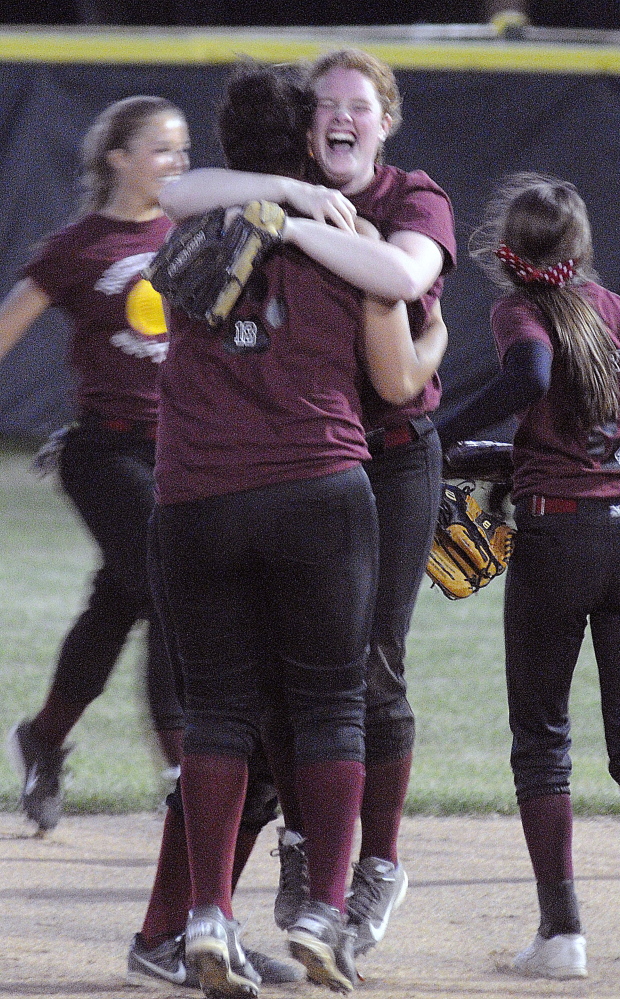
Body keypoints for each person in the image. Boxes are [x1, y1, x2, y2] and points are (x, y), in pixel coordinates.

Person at [145, 59, 446, 999]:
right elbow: (398, 368)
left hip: (194, 493)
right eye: (328, 108)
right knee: (330, 700)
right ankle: (324, 903)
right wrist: (437, 336)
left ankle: (202, 918)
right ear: (309, 133)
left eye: (359, 107)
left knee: (222, 710)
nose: (344, 119)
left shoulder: (201, 225)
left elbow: (174, 190)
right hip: (320, 483)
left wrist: (273, 201)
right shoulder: (344, 234)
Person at [435, 172, 620, 988]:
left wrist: (439, 435)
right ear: (583, 247)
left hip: (561, 537)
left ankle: (562, 933)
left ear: (509, 253)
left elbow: (530, 376)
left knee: (543, 742)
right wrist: (534, 456)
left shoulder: (520, 312)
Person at [1, 95, 191, 832]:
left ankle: (41, 740)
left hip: (180, 451)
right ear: (118, 158)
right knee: (171, 583)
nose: (178, 163)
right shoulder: (79, 246)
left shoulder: (189, 235)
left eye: (183, 151)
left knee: (121, 598)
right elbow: (9, 325)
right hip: (105, 450)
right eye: (162, 150)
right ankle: (183, 769)